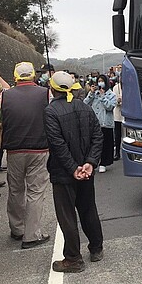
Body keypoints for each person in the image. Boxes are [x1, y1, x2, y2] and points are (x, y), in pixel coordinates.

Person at [43, 71, 104, 273]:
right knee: (88, 208)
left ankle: (73, 258)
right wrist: (90, 163)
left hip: (64, 173)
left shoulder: (51, 112)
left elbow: (57, 144)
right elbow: (98, 136)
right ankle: (96, 248)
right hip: (85, 171)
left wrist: (73, 168)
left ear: (52, 89)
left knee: (67, 215)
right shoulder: (85, 107)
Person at [0, 62, 50, 249]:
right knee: (35, 192)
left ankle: (17, 228)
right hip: (39, 149)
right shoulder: (45, 93)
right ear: (34, 76)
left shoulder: (5, 96)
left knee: (15, 190)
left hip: (14, 150)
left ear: (15, 77)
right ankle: (31, 234)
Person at [84, 74, 116, 173]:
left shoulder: (111, 95)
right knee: (94, 144)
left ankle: (104, 163)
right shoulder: (94, 94)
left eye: (102, 81)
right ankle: (93, 162)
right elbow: (85, 103)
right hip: (95, 123)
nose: (100, 83)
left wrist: (103, 97)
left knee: (106, 144)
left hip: (106, 123)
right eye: (98, 81)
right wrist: (91, 93)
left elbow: (110, 107)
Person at [112, 73, 122, 161]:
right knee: (117, 135)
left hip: (127, 114)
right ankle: (117, 153)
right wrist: (118, 101)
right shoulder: (115, 88)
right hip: (118, 114)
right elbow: (114, 100)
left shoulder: (131, 86)